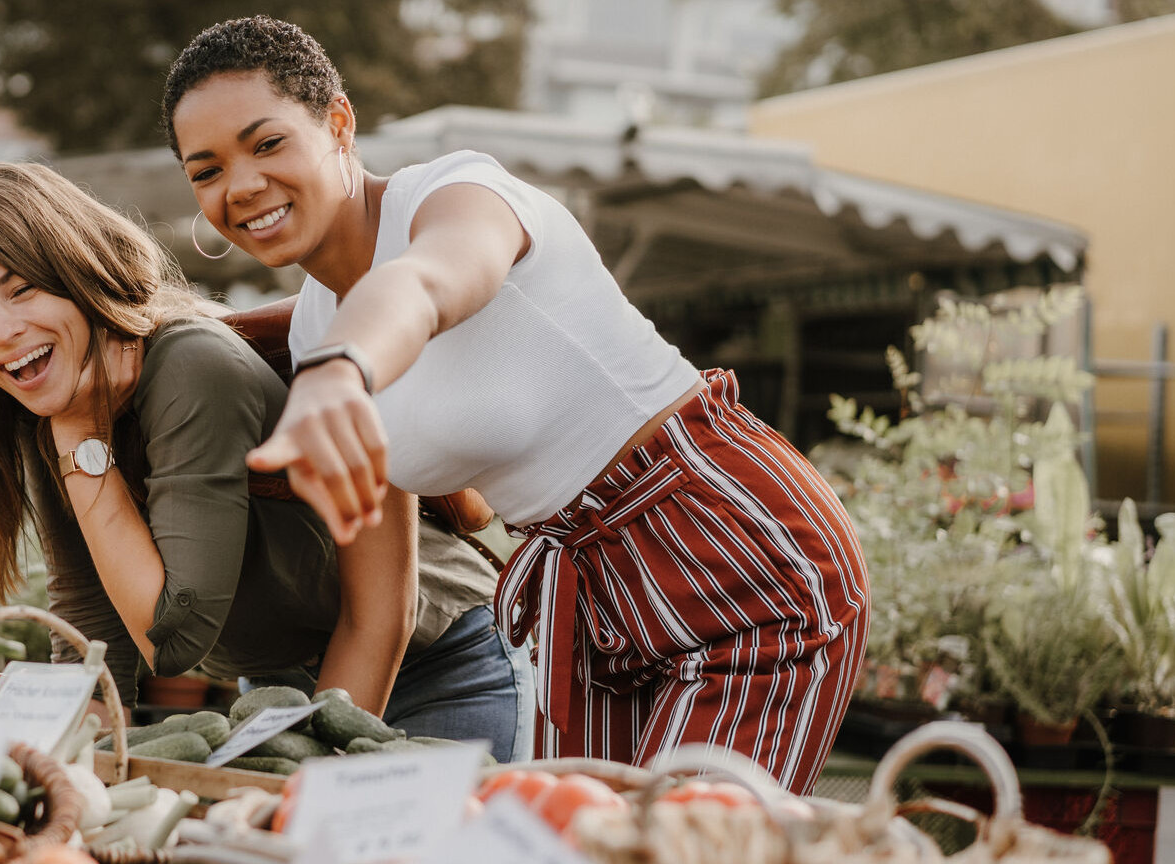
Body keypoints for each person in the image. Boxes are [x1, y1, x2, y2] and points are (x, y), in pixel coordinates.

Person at [162, 16, 867, 794]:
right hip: (586, 598)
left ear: (338, 121)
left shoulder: (458, 195)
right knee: (577, 839)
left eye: (266, 144)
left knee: (682, 841)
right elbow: (378, 608)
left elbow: (423, 284)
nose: (241, 187)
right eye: (208, 170)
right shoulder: (316, 323)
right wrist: (307, 794)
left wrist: (337, 372)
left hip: (729, 551)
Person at [0, 161, 533, 759]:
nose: (0, 331)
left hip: (436, 668)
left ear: (78, 270)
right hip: (276, 691)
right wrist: (63, 767)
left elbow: (173, 639)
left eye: (21, 289)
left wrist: (80, 439)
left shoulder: (188, 368)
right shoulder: (49, 398)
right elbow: (88, 620)